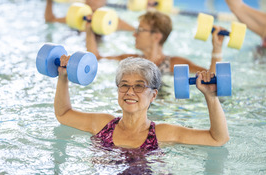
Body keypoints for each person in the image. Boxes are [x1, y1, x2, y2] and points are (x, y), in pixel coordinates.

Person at [54, 56, 230, 151]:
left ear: (153, 95)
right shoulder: (102, 125)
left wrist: (210, 97)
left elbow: (218, 139)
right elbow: (63, 114)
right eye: (124, 85)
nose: (130, 92)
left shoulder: (162, 133)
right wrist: (63, 78)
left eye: (139, 86)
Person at [86, 10, 226, 74]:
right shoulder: (131, 60)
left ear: (157, 37)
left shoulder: (174, 64)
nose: (135, 34)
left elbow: (212, 78)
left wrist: (217, 49)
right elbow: (96, 59)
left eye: (140, 30)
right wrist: (89, 30)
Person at [45, 0, 135, 31]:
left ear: (104, 2)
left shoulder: (113, 20)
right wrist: (49, 1)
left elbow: (135, 31)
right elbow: (50, 19)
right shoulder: (78, 16)